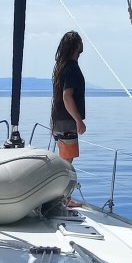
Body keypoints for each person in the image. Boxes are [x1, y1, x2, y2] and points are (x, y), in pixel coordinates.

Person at [51, 31, 86, 205]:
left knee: (65, 160)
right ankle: (63, 199)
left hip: (59, 121)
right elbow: (67, 96)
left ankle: (61, 197)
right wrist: (78, 120)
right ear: (75, 45)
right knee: (67, 163)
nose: (83, 43)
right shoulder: (71, 68)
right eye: (80, 41)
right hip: (66, 122)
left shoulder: (61, 67)